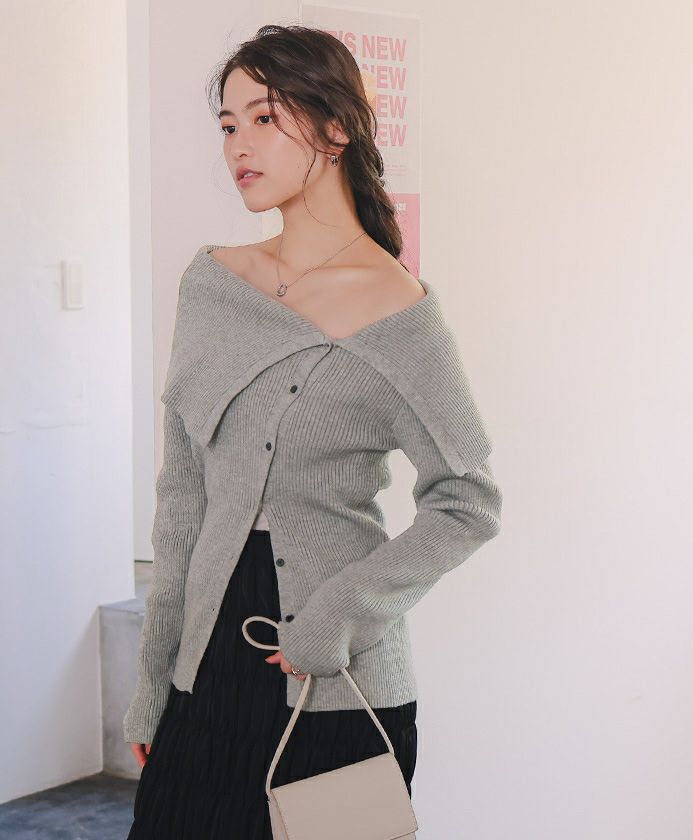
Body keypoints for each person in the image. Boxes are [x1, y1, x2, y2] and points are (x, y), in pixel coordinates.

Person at [124, 23, 502, 839]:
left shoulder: (400, 313)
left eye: (265, 117)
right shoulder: (213, 286)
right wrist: (153, 679)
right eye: (229, 124)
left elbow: (468, 501)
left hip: (337, 687)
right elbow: (182, 497)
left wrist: (339, 616)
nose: (238, 144)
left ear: (336, 128)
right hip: (205, 670)